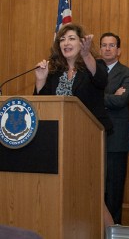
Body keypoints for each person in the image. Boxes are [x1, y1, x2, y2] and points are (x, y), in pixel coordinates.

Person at [33, 22, 114, 228]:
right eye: (62, 39)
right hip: (59, 141)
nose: (66, 43)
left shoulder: (94, 66)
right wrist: (40, 81)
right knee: (65, 192)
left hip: (89, 139)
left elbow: (101, 81)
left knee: (92, 194)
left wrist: (87, 56)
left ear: (82, 43)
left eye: (71, 38)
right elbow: (43, 106)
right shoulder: (55, 72)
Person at [99, 32, 129, 224]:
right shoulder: (89, 71)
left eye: (111, 45)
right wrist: (110, 95)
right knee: (95, 189)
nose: (107, 48)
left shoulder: (128, 73)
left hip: (116, 140)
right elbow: (82, 98)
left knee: (114, 190)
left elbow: (121, 100)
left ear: (119, 51)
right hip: (91, 138)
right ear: (99, 49)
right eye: (104, 45)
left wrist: (99, 98)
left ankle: (113, 230)